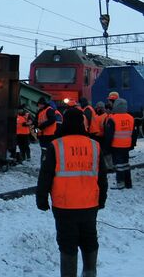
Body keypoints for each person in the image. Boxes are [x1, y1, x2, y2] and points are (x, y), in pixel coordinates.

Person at [37, 108, 108, 277]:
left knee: (68, 245)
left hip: (64, 206)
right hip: (90, 205)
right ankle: (90, 272)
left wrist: (41, 199)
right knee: (90, 241)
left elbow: (45, 175)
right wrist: (102, 200)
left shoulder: (56, 145)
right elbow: (102, 177)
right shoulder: (94, 145)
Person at [103, 98, 138, 189]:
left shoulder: (113, 119)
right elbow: (134, 134)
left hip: (116, 146)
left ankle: (120, 183)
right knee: (126, 164)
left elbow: (109, 135)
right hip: (127, 145)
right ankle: (128, 183)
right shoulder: (131, 118)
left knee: (118, 165)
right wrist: (132, 145)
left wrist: (107, 148)